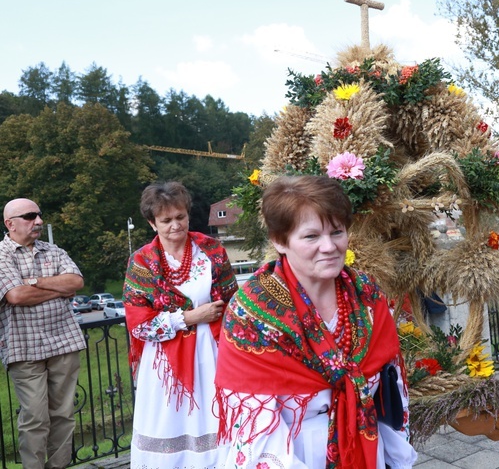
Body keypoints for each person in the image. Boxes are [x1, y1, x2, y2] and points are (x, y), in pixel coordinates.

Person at [215, 175, 418, 468]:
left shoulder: (367, 295)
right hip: (290, 454)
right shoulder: (251, 313)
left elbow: (391, 389)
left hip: (367, 449)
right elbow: (254, 423)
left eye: (337, 232)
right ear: (279, 241)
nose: (329, 247)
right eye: (311, 236)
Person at [123, 181, 238, 467]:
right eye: (166, 220)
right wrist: (190, 317)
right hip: (164, 364)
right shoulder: (141, 261)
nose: (176, 225)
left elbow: (234, 302)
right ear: (152, 223)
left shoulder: (212, 251)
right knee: (169, 420)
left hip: (211, 353)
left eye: (180, 217)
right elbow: (138, 324)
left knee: (211, 417)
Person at [0, 198, 86, 469]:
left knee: (63, 414)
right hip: (24, 348)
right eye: (29, 216)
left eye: (38, 215)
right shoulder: (1, 255)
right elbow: (15, 295)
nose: (38, 221)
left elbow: (76, 282)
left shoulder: (53, 250)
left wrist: (34, 282)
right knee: (35, 419)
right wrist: (57, 289)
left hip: (64, 342)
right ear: (9, 224)